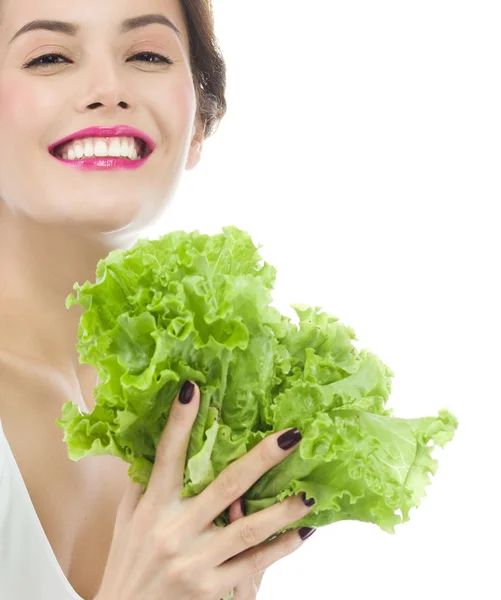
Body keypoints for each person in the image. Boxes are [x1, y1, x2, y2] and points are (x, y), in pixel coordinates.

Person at [0, 2, 316, 599]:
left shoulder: (200, 411)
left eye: (147, 54)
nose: (108, 90)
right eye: (48, 57)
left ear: (199, 120)